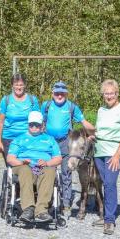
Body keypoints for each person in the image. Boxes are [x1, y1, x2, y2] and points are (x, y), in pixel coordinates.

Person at [40, 81, 96, 212]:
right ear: (52, 93)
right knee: (47, 171)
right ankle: (46, 200)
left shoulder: (71, 107)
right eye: (57, 93)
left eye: (62, 93)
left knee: (67, 172)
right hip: (49, 143)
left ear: (66, 94)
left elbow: (83, 122)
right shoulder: (46, 106)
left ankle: (65, 202)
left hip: (66, 143)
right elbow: (38, 123)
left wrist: (95, 132)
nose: (59, 96)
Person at [6, 111, 62, 223]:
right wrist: (21, 162)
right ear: (28, 125)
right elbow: (10, 158)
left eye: (37, 125)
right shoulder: (19, 139)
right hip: (24, 167)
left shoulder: (49, 139)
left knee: (50, 170)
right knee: (25, 169)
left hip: (42, 168)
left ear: (42, 125)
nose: (34, 127)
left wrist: (47, 163)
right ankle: (28, 209)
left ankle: (41, 210)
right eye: (32, 124)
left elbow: (58, 158)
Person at [93, 79, 120, 235]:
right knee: (103, 183)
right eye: (106, 93)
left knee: (110, 184)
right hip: (98, 151)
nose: (108, 96)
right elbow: (99, 130)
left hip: (112, 152)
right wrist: (92, 136)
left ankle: (109, 220)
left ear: (117, 93)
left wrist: (117, 155)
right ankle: (106, 214)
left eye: (111, 93)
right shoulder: (101, 110)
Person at [0, 74, 40, 163]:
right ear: (12, 85)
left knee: (27, 166)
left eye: (21, 85)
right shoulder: (6, 100)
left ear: (25, 85)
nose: (19, 87)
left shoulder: (32, 100)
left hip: (28, 138)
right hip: (8, 139)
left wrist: (38, 138)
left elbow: (38, 121)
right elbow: (0, 122)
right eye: (16, 85)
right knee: (11, 166)